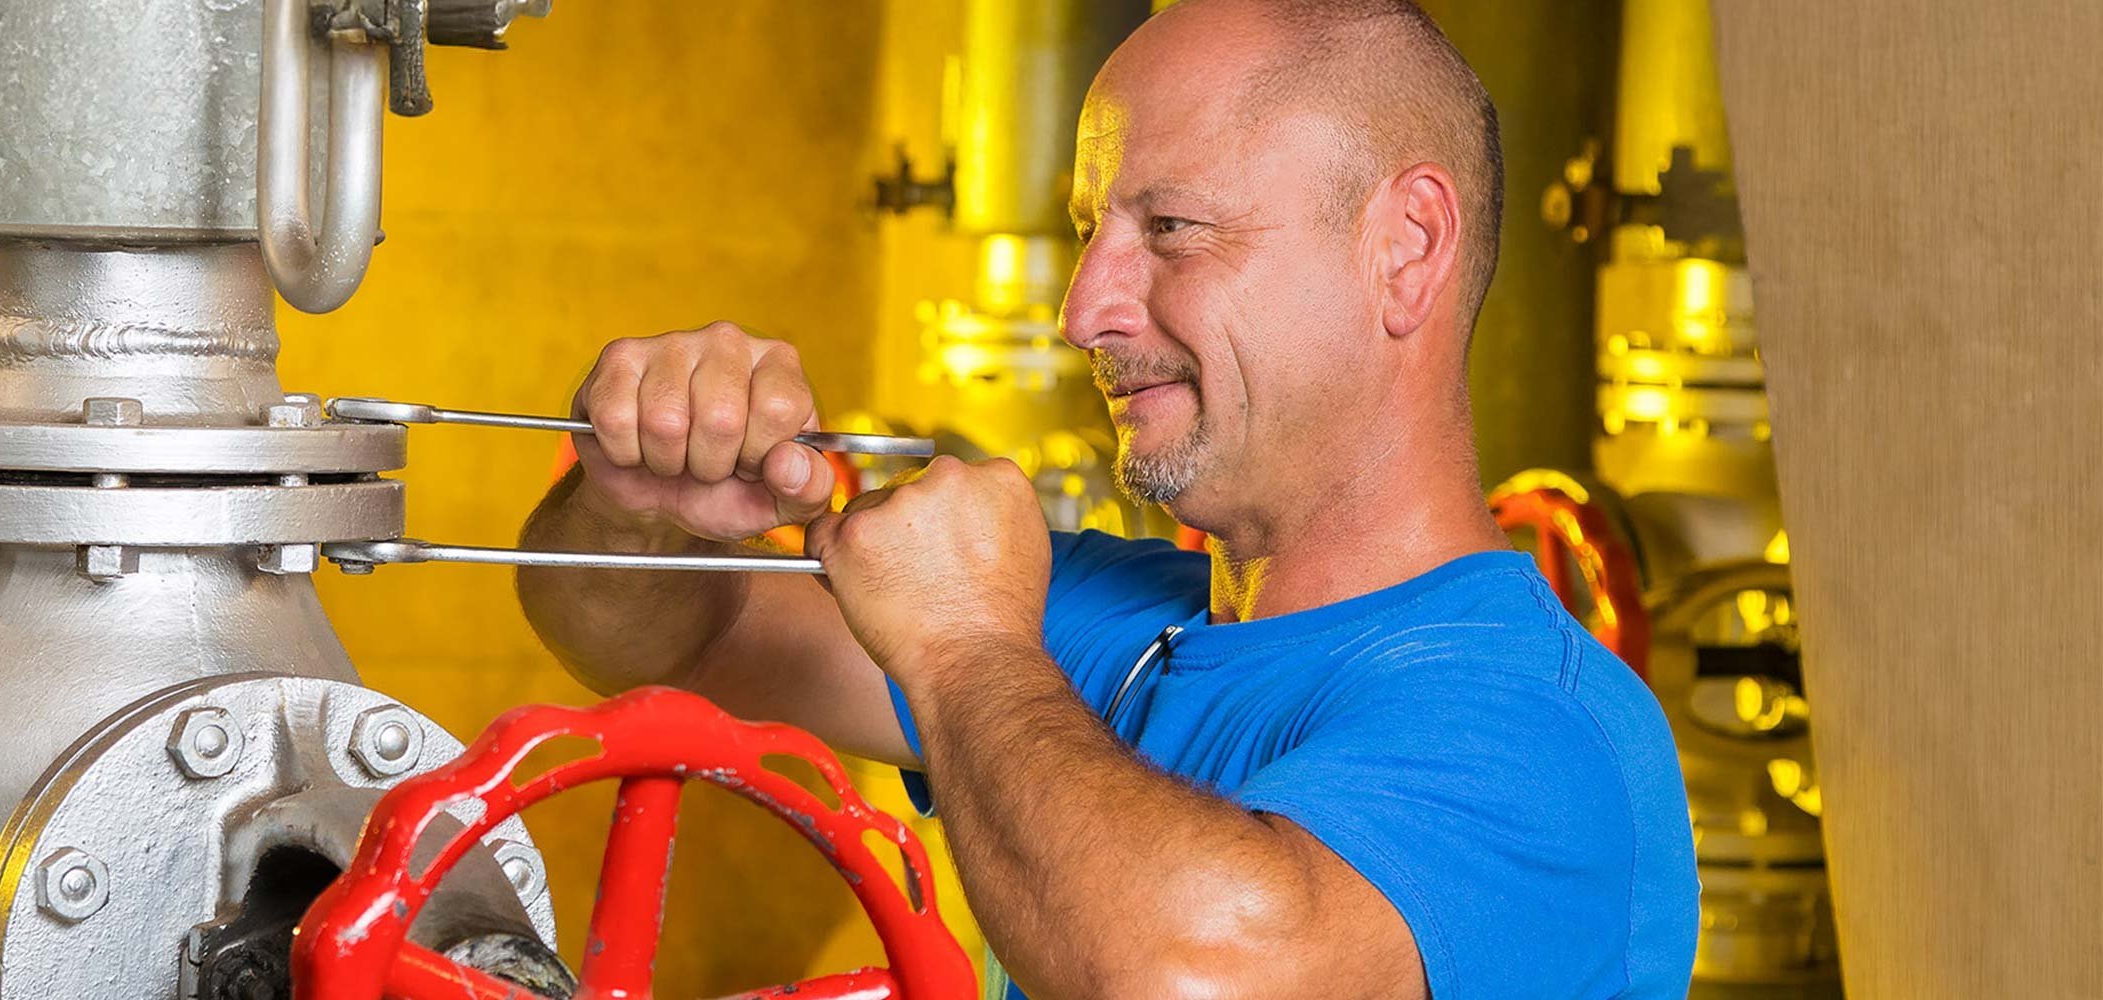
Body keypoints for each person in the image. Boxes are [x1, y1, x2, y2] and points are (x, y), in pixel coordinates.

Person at [514, 0, 1697, 996]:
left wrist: (968, 648)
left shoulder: (1544, 734)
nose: (1084, 312)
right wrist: (632, 501)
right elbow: (663, 632)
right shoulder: (1089, 617)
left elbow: (1191, 977)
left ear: (1406, 247)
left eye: (1171, 229)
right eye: (1090, 232)